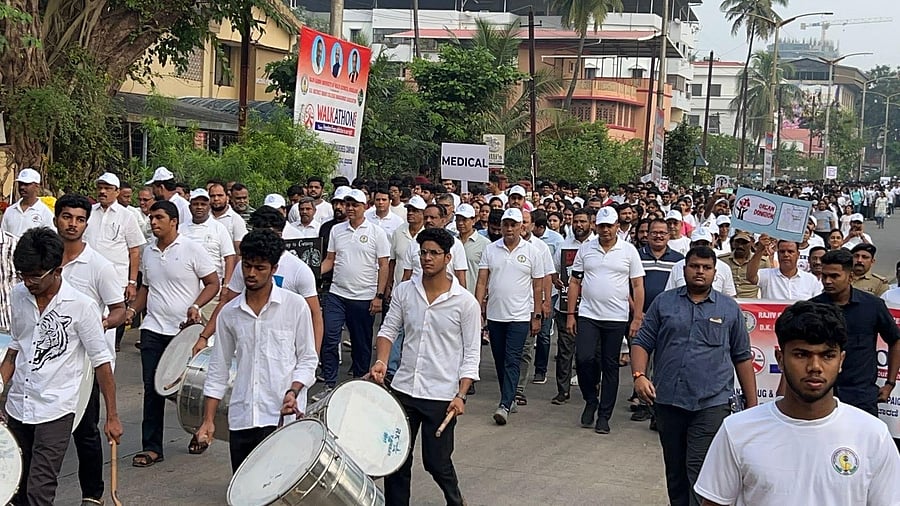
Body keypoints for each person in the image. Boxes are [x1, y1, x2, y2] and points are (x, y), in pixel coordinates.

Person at [694, 301, 900, 505]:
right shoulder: (738, 430)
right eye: (801, 355)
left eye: (827, 355)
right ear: (780, 359)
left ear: (841, 361)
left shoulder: (873, 436)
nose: (815, 366)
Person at [1, 227, 123, 505]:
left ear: (57, 271)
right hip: (18, 406)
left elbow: (102, 363)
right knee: (15, 489)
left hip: (56, 410)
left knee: (39, 489)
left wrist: (112, 416)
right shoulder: (19, 295)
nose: (28, 282)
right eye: (23, 275)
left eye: (35, 276)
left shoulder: (82, 306)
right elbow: (15, 348)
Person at [632, 246, 758, 506]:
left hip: (711, 403)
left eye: (706, 267)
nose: (700, 271)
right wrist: (639, 375)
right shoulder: (664, 303)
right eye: (695, 266)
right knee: (675, 469)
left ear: (715, 272)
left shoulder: (729, 308)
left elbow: (742, 357)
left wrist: (753, 405)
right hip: (668, 400)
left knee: (699, 468)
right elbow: (642, 342)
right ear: (684, 269)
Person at [370, 228, 480, 506]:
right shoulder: (405, 291)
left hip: (440, 395)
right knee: (396, 461)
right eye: (423, 253)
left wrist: (461, 394)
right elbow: (388, 330)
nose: (427, 258)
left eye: (434, 253)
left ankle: (456, 501)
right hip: (404, 389)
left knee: (436, 462)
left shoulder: (465, 302)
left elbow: (471, 353)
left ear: (447, 258)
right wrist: (381, 361)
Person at [194, 229, 318, 472]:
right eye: (247, 265)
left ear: (274, 269)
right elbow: (218, 369)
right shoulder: (229, 314)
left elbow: (307, 359)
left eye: (260, 268)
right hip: (243, 418)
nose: (251, 273)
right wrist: (208, 420)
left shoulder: (295, 306)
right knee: (243, 487)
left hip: (282, 417)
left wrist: (294, 390)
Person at [126, 200, 219, 467]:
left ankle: (199, 431)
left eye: (159, 218)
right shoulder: (149, 252)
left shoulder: (192, 249)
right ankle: (152, 447)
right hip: (153, 328)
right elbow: (146, 288)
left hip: (184, 333)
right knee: (152, 388)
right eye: (151, 218)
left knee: (187, 389)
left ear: (174, 221)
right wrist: (132, 311)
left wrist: (196, 306)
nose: (153, 222)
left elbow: (213, 283)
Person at [54, 194, 128, 505]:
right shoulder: (46, 260)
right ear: (56, 219)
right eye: (67, 217)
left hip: (86, 364)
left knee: (85, 431)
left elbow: (119, 310)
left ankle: (92, 495)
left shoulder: (99, 265)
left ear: (86, 223)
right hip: (49, 361)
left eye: (80, 219)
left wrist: (101, 324)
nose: (73, 224)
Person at [567, 206, 645, 434]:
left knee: (610, 365)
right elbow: (575, 282)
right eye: (601, 226)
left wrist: (637, 317)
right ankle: (591, 399)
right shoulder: (586, 249)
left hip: (616, 317)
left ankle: (604, 415)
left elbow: (638, 285)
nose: (605, 230)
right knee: (584, 359)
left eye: (609, 226)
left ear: (617, 226)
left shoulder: (628, 251)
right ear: (596, 226)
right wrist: (571, 314)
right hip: (588, 314)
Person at [810, 249, 900, 417]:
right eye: (824, 276)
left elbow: (895, 340)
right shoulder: (812, 308)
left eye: (834, 276)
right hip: (821, 395)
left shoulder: (873, 306)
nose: (827, 281)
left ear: (850, 277)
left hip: (862, 397)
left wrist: (890, 383)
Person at [475, 208, 544, 425]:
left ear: (521, 226)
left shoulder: (532, 252)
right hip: (496, 315)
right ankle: (510, 395)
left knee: (512, 358)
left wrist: (537, 315)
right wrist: (477, 308)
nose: (509, 228)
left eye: (514, 224)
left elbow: (538, 286)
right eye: (506, 224)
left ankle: (504, 404)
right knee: (499, 358)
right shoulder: (491, 249)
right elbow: (482, 281)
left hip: (520, 316)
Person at [320, 188, 390, 393]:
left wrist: (379, 296)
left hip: (363, 296)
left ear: (365, 207)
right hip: (337, 293)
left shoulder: (376, 232)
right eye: (347, 204)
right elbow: (330, 259)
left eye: (354, 205)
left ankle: (360, 384)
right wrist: (311, 273)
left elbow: (384, 265)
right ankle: (329, 383)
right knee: (330, 337)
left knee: (361, 344)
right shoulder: (336, 230)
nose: (350, 208)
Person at [83, 173, 146, 352]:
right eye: (100, 188)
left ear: (117, 192)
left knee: (109, 326)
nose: (103, 192)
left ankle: (107, 364)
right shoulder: (88, 212)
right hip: (87, 278)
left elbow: (134, 251)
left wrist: (132, 282)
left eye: (108, 188)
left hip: (115, 280)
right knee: (85, 320)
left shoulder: (127, 216)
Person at [550, 209, 595, 405]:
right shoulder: (563, 245)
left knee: (589, 353)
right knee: (564, 350)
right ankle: (563, 390)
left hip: (591, 308)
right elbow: (553, 270)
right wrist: (556, 280)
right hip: (565, 306)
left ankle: (591, 387)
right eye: (576, 221)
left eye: (583, 221)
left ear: (591, 223)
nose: (579, 225)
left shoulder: (597, 245)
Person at [180, 188, 237, 320]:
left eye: (203, 204)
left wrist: (226, 285)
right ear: (189, 207)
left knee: (209, 329)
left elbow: (229, 257)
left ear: (209, 206)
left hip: (212, 291)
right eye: (196, 204)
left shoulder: (219, 228)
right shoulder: (180, 229)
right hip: (185, 291)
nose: (199, 207)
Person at [664, 227, 737, 297]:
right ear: (690, 245)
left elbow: (729, 296)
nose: (701, 247)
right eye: (697, 244)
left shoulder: (724, 268)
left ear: (711, 245)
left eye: (704, 244)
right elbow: (669, 294)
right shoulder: (678, 266)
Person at [747, 237, 822, 300]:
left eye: (790, 252)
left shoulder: (811, 280)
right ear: (778, 254)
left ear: (798, 254)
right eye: (782, 252)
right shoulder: (767, 275)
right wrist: (760, 250)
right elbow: (751, 277)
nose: (786, 255)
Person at [1, 168, 56, 237]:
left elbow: (51, 238)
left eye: (26, 184)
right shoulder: (10, 211)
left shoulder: (45, 213)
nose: (22, 187)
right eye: (20, 184)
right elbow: (3, 235)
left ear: (37, 186)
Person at [719, 231, 767, 298]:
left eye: (744, 243)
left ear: (751, 243)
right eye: (737, 242)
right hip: (729, 300)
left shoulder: (762, 261)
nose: (740, 246)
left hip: (751, 301)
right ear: (733, 243)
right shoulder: (722, 260)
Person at [208, 182, 248, 250]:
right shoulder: (204, 217)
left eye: (220, 195)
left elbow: (239, 249)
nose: (216, 199)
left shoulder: (236, 220)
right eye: (212, 196)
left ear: (227, 197)